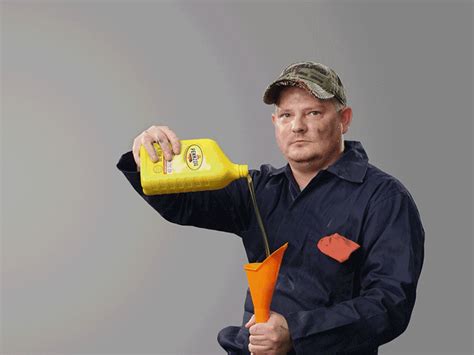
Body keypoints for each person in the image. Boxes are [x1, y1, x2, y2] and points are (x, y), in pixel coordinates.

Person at [116, 61, 425, 354]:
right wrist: (145, 159)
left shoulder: (384, 199)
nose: (298, 126)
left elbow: (390, 303)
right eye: (287, 115)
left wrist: (296, 332)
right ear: (275, 123)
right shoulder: (257, 189)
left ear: (344, 120)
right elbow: (180, 205)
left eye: (314, 113)